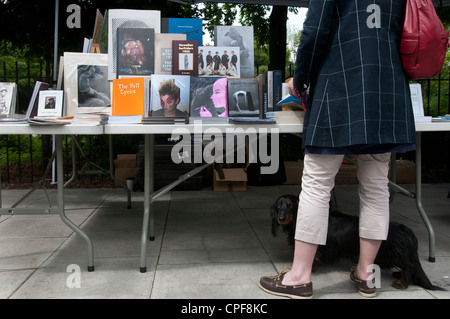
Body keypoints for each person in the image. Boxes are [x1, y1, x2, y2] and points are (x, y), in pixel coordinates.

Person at [259, 0, 416, 299]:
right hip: (386, 85)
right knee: (376, 186)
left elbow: (314, 32)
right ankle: (366, 275)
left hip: (340, 84)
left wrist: (301, 79)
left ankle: (298, 277)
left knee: (317, 184)